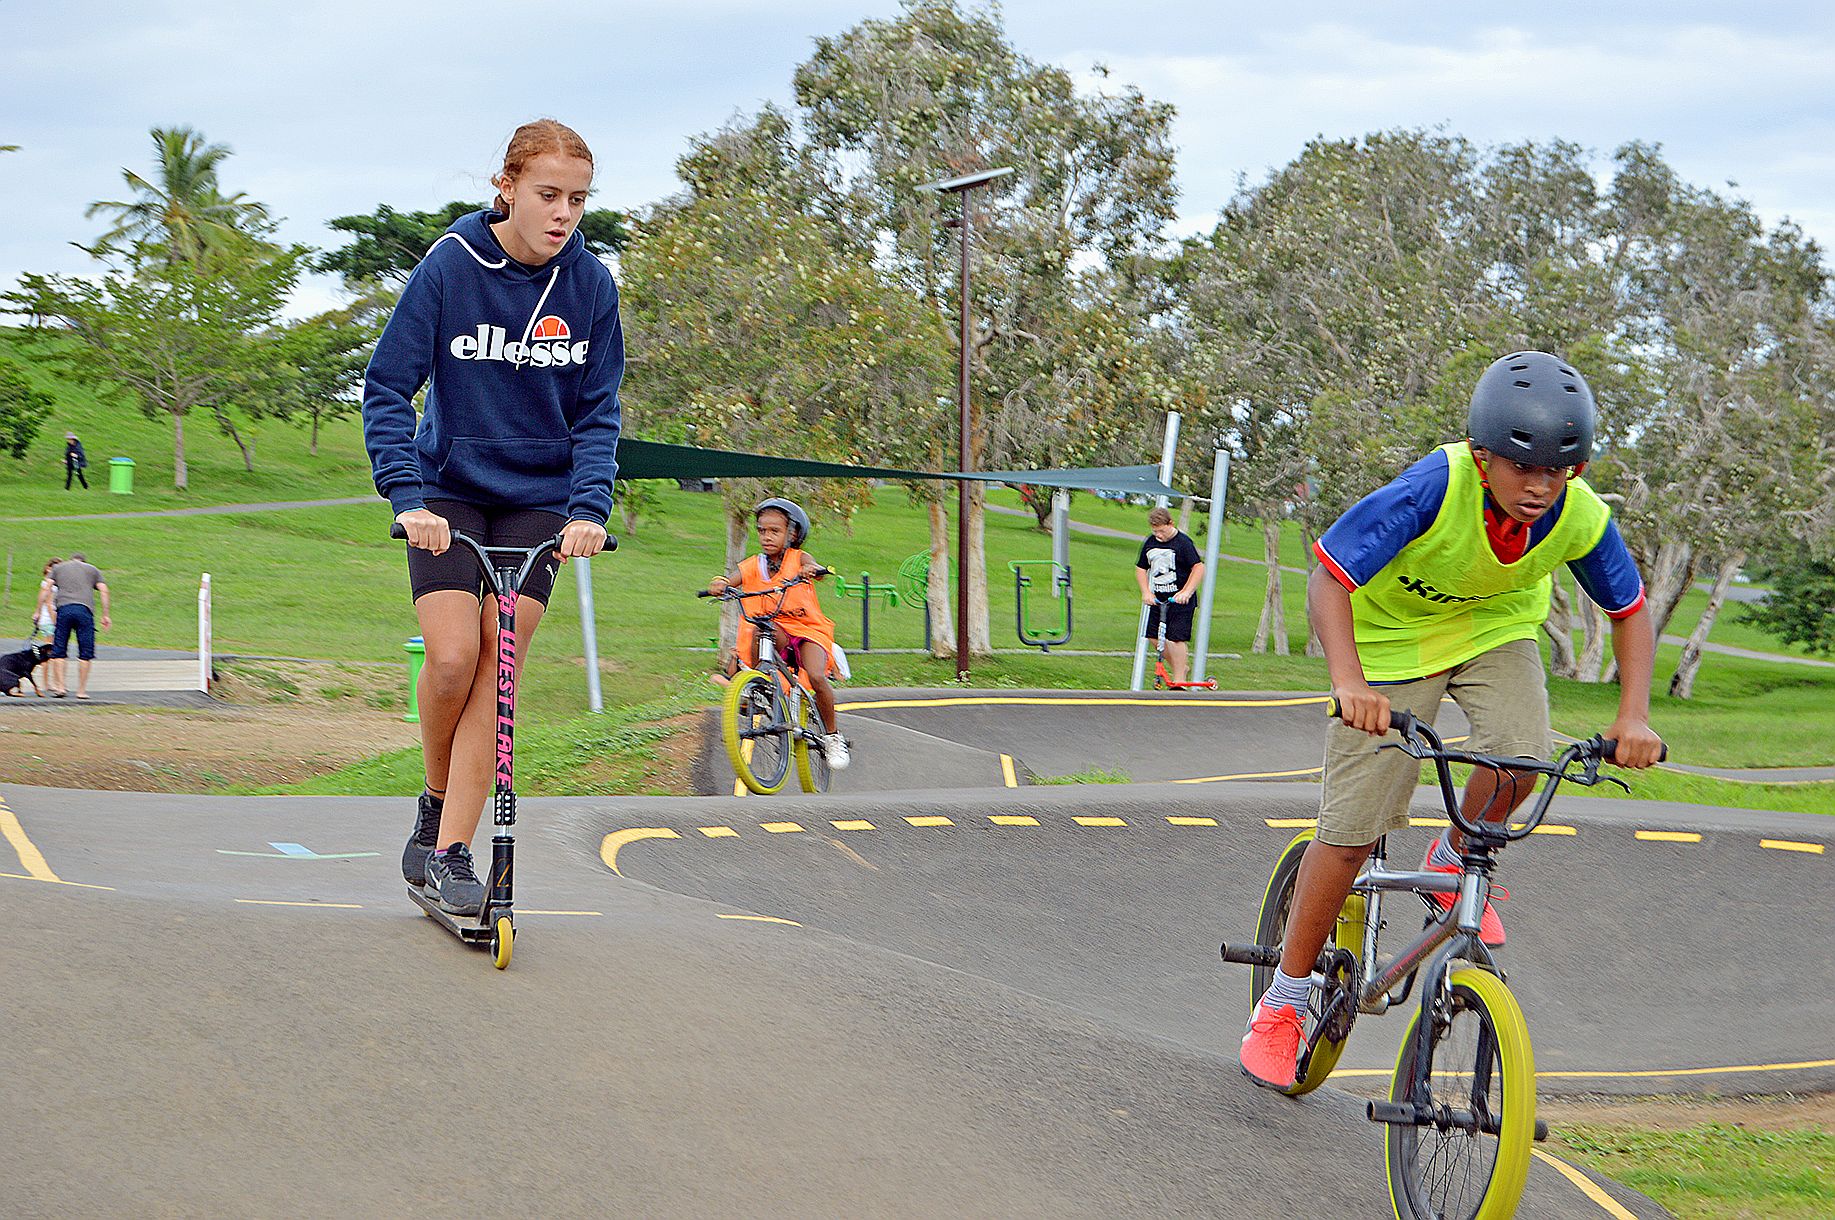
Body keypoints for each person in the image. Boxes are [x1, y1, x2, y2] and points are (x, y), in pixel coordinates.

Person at [1238, 351, 1666, 1091]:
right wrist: (1349, 683)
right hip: (1388, 640)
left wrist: (1633, 716)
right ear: (1481, 456)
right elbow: (1328, 577)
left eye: (1556, 472)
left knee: (1522, 755)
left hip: (1495, 629)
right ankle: (1283, 999)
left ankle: (1449, 858)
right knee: (1351, 830)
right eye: (1520, 468)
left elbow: (1627, 611)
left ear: (1578, 470)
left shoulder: (1581, 518)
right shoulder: (1433, 487)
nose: (1537, 487)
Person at [362, 118, 623, 917]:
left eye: (578, 200)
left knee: (497, 670)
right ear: (505, 187)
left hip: (539, 500)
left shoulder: (590, 288)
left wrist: (587, 509)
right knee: (450, 659)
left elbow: (597, 416)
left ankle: (452, 852)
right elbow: (386, 387)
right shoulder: (452, 265)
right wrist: (406, 499)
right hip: (449, 490)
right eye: (548, 195)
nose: (563, 214)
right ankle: (435, 796)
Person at [708, 498, 850, 770]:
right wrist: (720, 583)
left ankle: (833, 737)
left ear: (792, 534)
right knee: (760, 628)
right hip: (777, 629)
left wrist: (811, 570)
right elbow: (731, 579)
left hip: (809, 630)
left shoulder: (798, 558)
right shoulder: (754, 564)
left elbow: (813, 567)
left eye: (775, 531)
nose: (766, 537)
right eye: (762, 531)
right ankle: (759, 687)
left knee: (817, 675)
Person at [1136, 506, 1205, 684]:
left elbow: (1198, 567)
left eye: (1161, 531)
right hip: (1159, 600)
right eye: (1155, 531)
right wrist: (1146, 592)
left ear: (1170, 524)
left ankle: (1179, 681)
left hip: (1181, 602)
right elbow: (1141, 567)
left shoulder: (1183, 543)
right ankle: (1180, 666)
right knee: (1153, 637)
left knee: (1176, 639)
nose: (1158, 535)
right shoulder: (1150, 542)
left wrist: (1186, 592)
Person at [47, 552, 110, 699]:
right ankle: (81, 691)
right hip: (84, 611)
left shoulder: (58, 568)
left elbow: (46, 588)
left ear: (71, 559)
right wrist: (105, 614)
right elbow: (104, 590)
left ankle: (61, 687)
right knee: (85, 653)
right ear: (83, 561)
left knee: (59, 650)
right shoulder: (92, 570)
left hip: (64, 610)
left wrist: (43, 611)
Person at [29, 557, 60, 695]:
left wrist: (37, 612)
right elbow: (49, 604)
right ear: (48, 568)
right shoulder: (50, 584)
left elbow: (40, 601)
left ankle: (48, 683)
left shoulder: (47, 584)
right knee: (50, 651)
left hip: (46, 619)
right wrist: (55, 621)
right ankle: (49, 683)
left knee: (50, 651)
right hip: (49, 620)